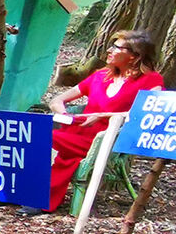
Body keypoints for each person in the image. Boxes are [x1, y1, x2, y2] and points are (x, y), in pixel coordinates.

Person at [44, 30, 163, 212]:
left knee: (40, 138)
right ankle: (32, 195)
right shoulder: (100, 76)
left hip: (105, 140)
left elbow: (149, 114)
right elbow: (56, 101)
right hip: (75, 133)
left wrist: (103, 116)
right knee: (34, 136)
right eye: (111, 45)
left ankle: (36, 196)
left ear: (134, 56)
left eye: (117, 47)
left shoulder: (151, 80)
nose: (109, 50)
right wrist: (65, 114)